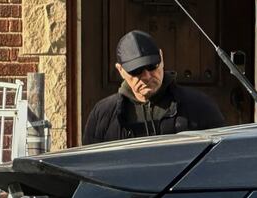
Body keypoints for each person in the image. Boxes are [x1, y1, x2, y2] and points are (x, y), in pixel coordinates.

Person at [83, 30, 225, 145]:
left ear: (162, 59)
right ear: (120, 70)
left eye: (152, 66)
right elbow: (89, 168)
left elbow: (221, 160)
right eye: (136, 70)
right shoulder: (103, 115)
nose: (146, 76)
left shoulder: (199, 106)